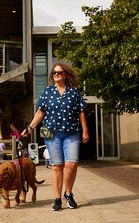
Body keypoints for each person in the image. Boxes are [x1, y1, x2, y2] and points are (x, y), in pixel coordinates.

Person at [22, 61, 89, 211]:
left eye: (59, 72)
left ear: (65, 75)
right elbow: (40, 112)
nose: (56, 74)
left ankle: (69, 193)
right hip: (51, 133)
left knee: (71, 164)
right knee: (57, 166)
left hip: (71, 133)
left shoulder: (73, 92)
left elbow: (81, 112)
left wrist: (85, 131)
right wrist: (30, 127)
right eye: (54, 73)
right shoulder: (47, 92)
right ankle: (57, 198)